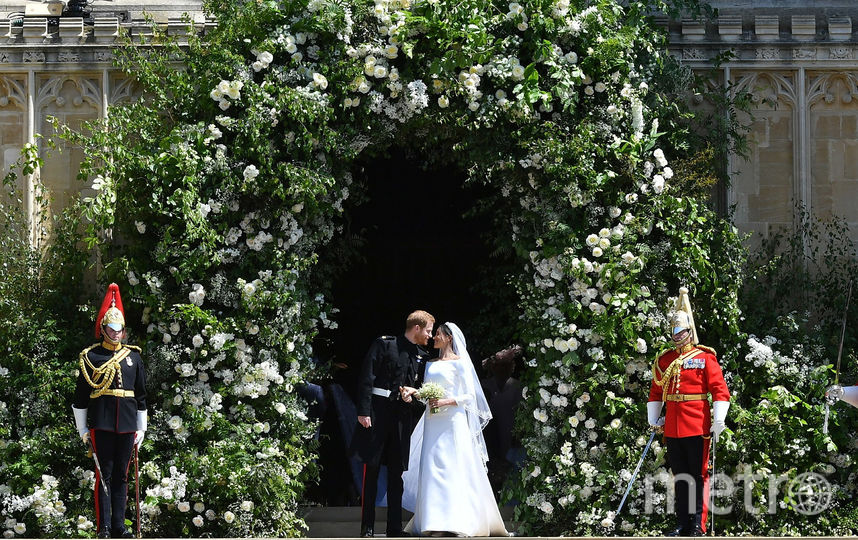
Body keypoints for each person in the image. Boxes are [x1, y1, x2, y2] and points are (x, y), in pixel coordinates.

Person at [401, 322, 509, 537]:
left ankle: (456, 521)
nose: (434, 338)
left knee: (453, 466)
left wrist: (446, 402)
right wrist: (416, 392)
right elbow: (427, 393)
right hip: (433, 421)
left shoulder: (460, 364)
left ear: (449, 338)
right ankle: (434, 522)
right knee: (432, 468)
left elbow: (470, 396)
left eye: (438, 334)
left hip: (453, 421)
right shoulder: (430, 364)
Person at [647, 288, 729, 537]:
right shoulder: (665, 359)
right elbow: (656, 392)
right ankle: (683, 523)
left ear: (689, 331)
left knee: (698, 475)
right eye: (673, 331)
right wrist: (654, 418)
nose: (677, 335)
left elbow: (720, 391)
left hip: (697, 424)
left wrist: (719, 419)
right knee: (680, 475)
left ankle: (697, 524)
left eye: (681, 331)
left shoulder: (705, 358)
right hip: (672, 425)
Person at [71, 283, 148, 538]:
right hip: (102, 423)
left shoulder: (133, 357)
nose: (116, 333)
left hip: (127, 424)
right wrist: (82, 428)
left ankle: (119, 527)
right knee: (103, 475)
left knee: (122, 477)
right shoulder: (91, 357)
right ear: (103, 329)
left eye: (119, 329)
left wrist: (142, 427)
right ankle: (103, 527)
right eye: (112, 328)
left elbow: (141, 396)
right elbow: (81, 397)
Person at [351, 310, 434, 538]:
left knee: (397, 472)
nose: (430, 335)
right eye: (427, 330)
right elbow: (367, 376)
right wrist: (364, 411)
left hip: (401, 416)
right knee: (373, 469)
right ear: (416, 328)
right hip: (377, 413)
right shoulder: (385, 344)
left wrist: (412, 396)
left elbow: (420, 388)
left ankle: (394, 527)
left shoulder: (420, 355)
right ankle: (367, 526)